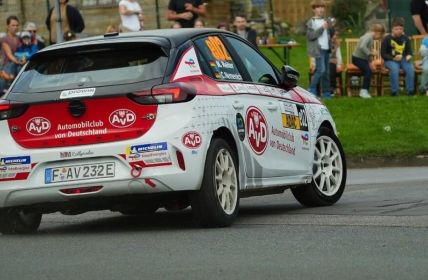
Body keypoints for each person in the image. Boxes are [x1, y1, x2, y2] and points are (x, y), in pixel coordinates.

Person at [381, 17, 415, 96]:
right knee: (394, 69)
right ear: (392, 29)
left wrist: (408, 56)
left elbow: (409, 51)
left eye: (401, 29)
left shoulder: (405, 38)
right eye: (396, 29)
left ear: (403, 29)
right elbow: (383, 54)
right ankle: (395, 92)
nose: (399, 31)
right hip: (390, 60)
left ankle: (410, 91)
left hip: (403, 59)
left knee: (410, 69)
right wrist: (393, 58)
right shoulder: (387, 39)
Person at [306, 0, 332, 98]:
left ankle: (326, 93)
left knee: (326, 73)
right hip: (318, 49)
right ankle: (311, 90)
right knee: (321, 70)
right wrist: (322, 28)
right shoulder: (311, 22)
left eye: (322, 7)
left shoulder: (325, 20)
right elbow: (310, 36)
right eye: (318, 7)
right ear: (313, 9)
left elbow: (329, 34)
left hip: (326, 49)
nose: (321, 9)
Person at [351, 23, 385, 98]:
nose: (379, 38)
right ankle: (364, 91)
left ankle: (355, 80)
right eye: (380, 36)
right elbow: (362, 47)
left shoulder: (370, 37)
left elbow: (367, 53)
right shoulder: (368, 36)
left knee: (368, 70)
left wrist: (370, 63)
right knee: (368, 71)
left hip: (362, 59)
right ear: (377, 32)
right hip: (357, 58)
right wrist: (371, 53)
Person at [1, 16, 24, 83]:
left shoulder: (19, 38)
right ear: (8, 26)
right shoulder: (4, 39)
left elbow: (23, 52)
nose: (15, 27)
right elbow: (9, 55)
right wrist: (19, 61)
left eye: (17, 25)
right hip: (8, 66)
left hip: (18, 65)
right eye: (13, 25)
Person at [329, 29, 343, 95]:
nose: (336, 36)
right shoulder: (324, 43)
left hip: (333, 62)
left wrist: (339, 65)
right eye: (334, 35)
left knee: (332, 66)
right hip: (324, 62)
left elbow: (338, 55)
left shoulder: (336, 43)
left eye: (336, 35)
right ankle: (329, 89)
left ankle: (332, 89)